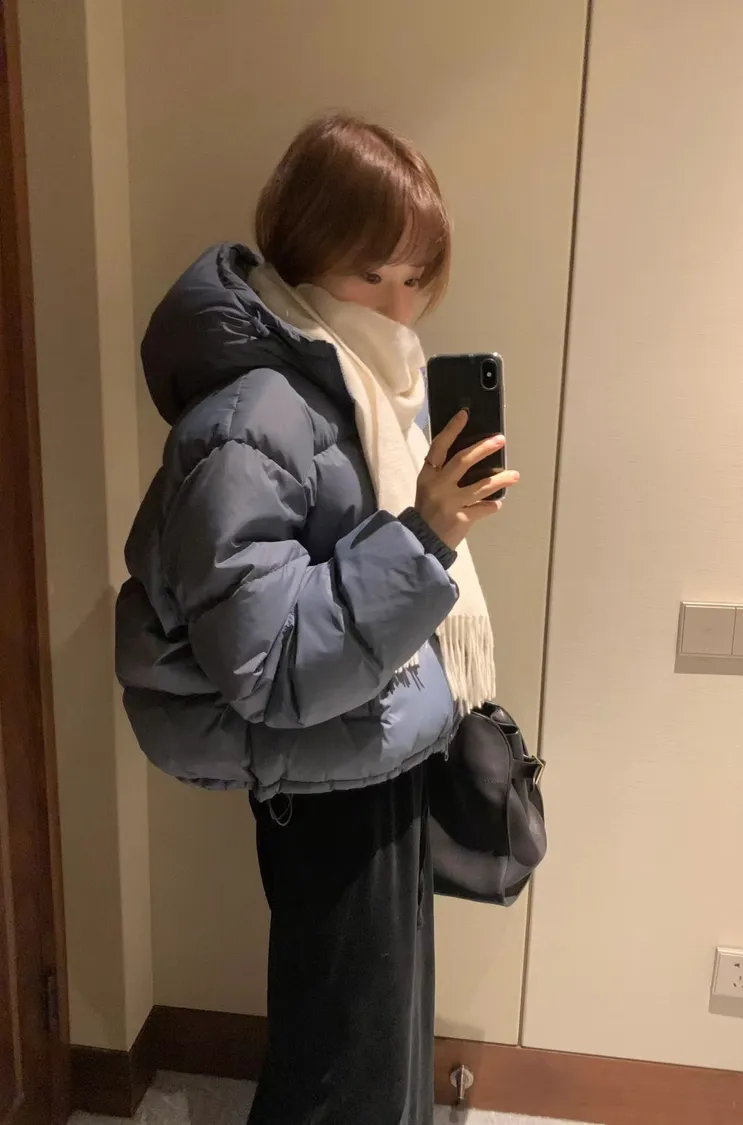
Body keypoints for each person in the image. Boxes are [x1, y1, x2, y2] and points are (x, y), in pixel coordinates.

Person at [116, 113, 519, 1124]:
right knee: (345, 1069)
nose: (398, 305)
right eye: (370, 273)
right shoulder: (254, 412)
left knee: (374, 1045)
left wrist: (429, 532)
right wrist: (425, 536)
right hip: (328, 778)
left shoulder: (349, 388)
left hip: (372, 752)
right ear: (303, 250)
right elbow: (268, 659)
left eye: (416, 276)